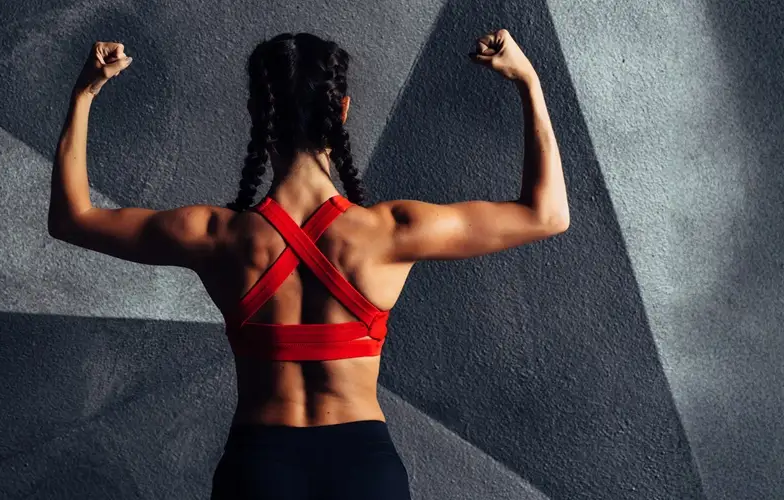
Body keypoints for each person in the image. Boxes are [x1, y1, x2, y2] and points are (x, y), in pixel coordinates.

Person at [46, 29, 566, 500]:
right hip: (364, 470)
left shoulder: (215, 236)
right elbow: (547, 215)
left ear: (257, 112)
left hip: (260, 469)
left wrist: (85, 93)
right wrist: (528, 81)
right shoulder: (392, 231)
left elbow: (72, 218)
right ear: (341, 111)